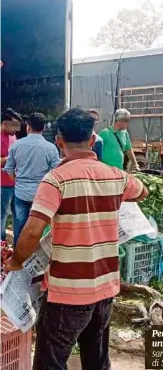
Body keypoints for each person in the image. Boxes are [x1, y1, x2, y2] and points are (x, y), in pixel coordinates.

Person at [5, 108, 148, 370]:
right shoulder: (116, 176)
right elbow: (142, 192)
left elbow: (33, 229)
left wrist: (16, 261)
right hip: (105, 286)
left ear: (59, 140)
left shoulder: (56, 180)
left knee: (51, 361)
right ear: (92, 140)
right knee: (96, 357)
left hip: (68, 292)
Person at [3, 113, 60, 245]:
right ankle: (36, 256)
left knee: (19, 226)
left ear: (28, 127)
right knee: (39, 228)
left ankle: (18, 258)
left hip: (21, 193)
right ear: (44, 128)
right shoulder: (51, 148)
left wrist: (17, 182)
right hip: (41, 195)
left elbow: (9, 169)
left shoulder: (17, 145)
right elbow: (56, 172)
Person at [1, 108, 22, 241]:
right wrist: (12, 158)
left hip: (15, 183)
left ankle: (17, 244)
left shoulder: (13, 135)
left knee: (17, 215)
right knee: (2, 215)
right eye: (14, 125)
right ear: (4, 123)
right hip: (2, 185)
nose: (16, 129)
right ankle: (1, 244)